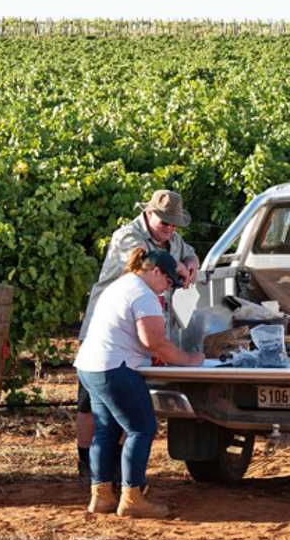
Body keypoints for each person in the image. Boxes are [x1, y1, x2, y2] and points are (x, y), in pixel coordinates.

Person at [76, 190, 199, 485]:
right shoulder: (129, 239)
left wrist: (190, 261)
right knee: (111, 414)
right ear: (149, 213)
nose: (169, 228)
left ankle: (106, 479)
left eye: (174, 224)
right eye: (164, 222)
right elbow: (154, 341)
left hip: (132, 339)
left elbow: (186, 251)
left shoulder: (171, 242)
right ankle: (91, 466)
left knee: (114, 417)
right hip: (106, 330)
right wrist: (186, 359)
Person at [75, 247, 204, 518]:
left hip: (90, 365)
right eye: (168, 282)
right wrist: (189, 360)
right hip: (115, 368)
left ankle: (101, 496)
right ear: (155, 271)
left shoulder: (121, 285)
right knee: (142, 428)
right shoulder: (143, 294)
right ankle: (132, 497)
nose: (166, 289)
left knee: (105, 430)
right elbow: (154, 343)